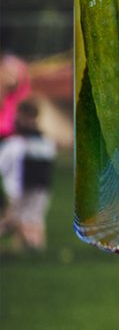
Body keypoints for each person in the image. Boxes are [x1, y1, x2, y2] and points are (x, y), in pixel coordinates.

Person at [0, 99, 56, 253]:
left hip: (33, 187)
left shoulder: (37, 141)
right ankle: (31, 249)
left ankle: (33, 248)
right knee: (23, 219)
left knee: (25, 219)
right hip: (25, 187)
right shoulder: (19, 142)